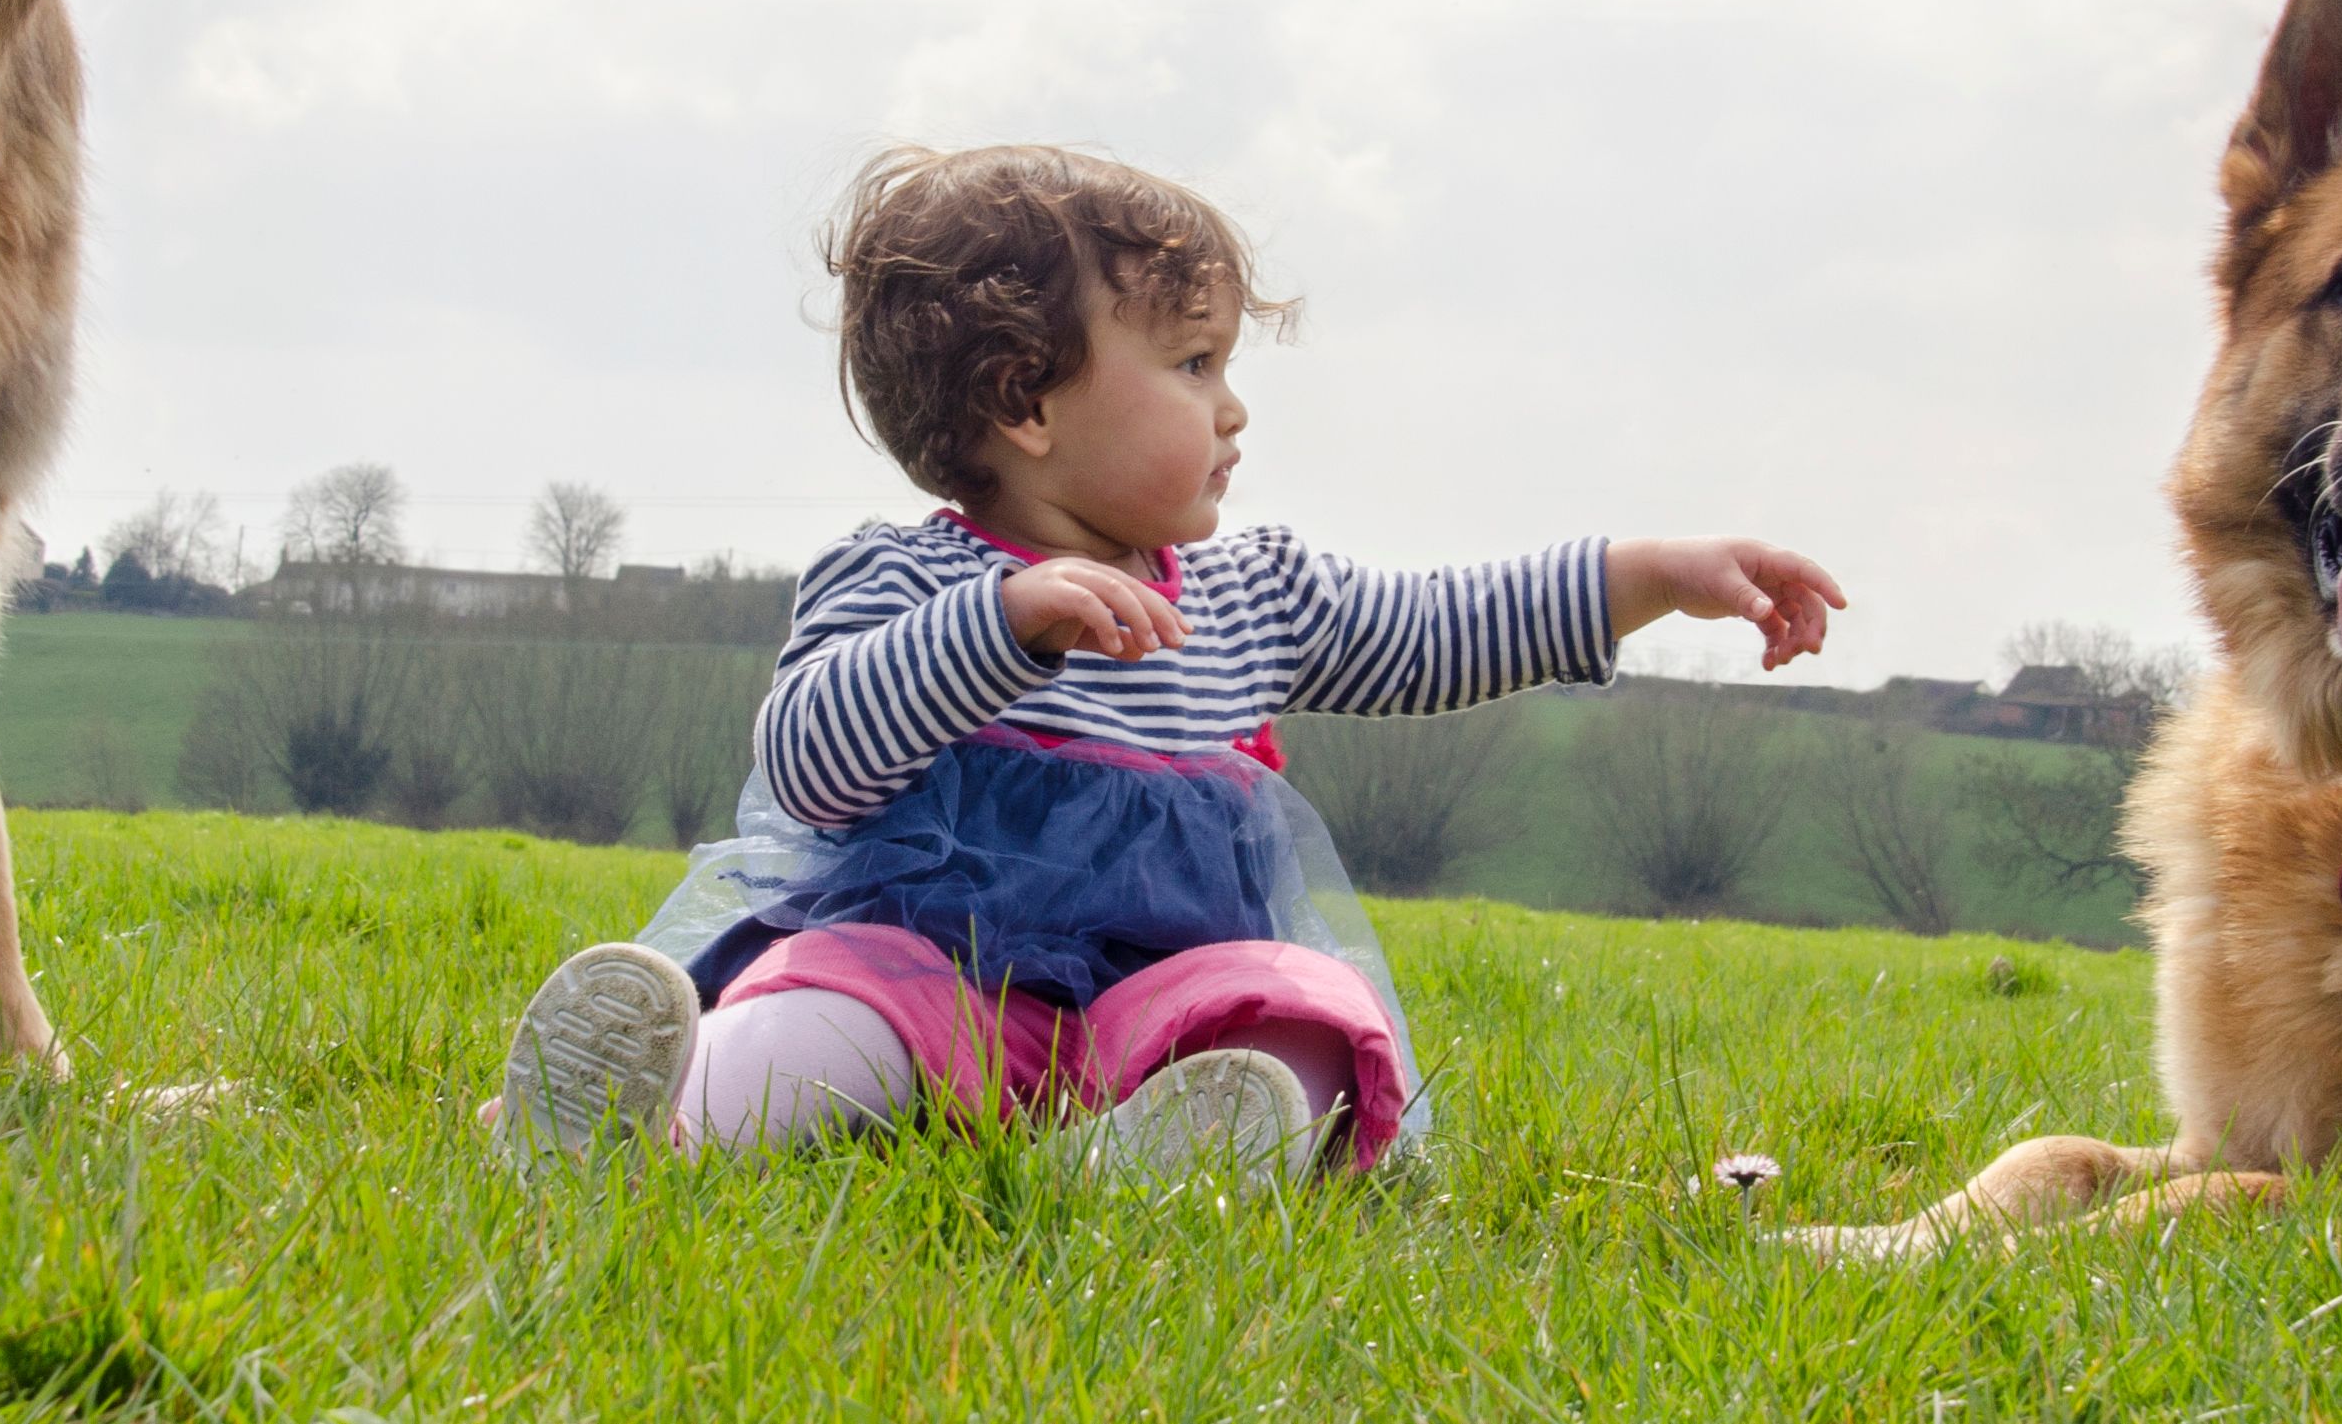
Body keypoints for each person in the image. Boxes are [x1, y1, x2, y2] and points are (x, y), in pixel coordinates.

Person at [491, 144, 1843, 1182]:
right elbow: (812, 759)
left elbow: (1433, 628)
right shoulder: (905, 578)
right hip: (937, 983)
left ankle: (1145, 1159)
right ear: (1025, 401)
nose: (1233, 405)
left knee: (1307, 1020)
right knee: (825, 1015)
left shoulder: (1252, 591)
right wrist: (1000, 626)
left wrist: (1652, 574)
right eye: (1193, 363)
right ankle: (646, 1122)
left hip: (1158, 1008)